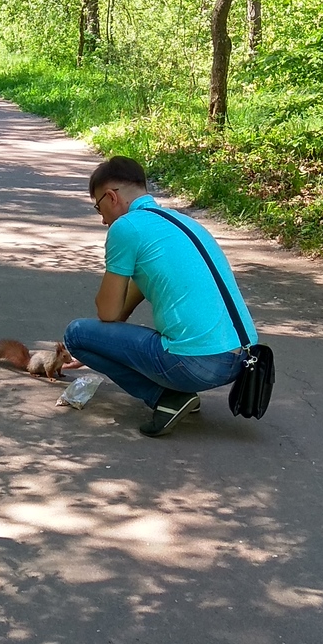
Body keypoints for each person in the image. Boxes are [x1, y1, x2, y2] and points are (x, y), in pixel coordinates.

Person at [63, 156, 257, 437]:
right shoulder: (183, 222)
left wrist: (92, 343)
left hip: (198, 364)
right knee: (93, 337)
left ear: (111, 196)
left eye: (98, 207)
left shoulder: (126, 227)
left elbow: (107, 312)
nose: (103, 219)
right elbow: (120, 313)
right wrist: (104, 344)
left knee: (77, 334)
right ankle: (178, 392)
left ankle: (166, 398)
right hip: (243, 360)